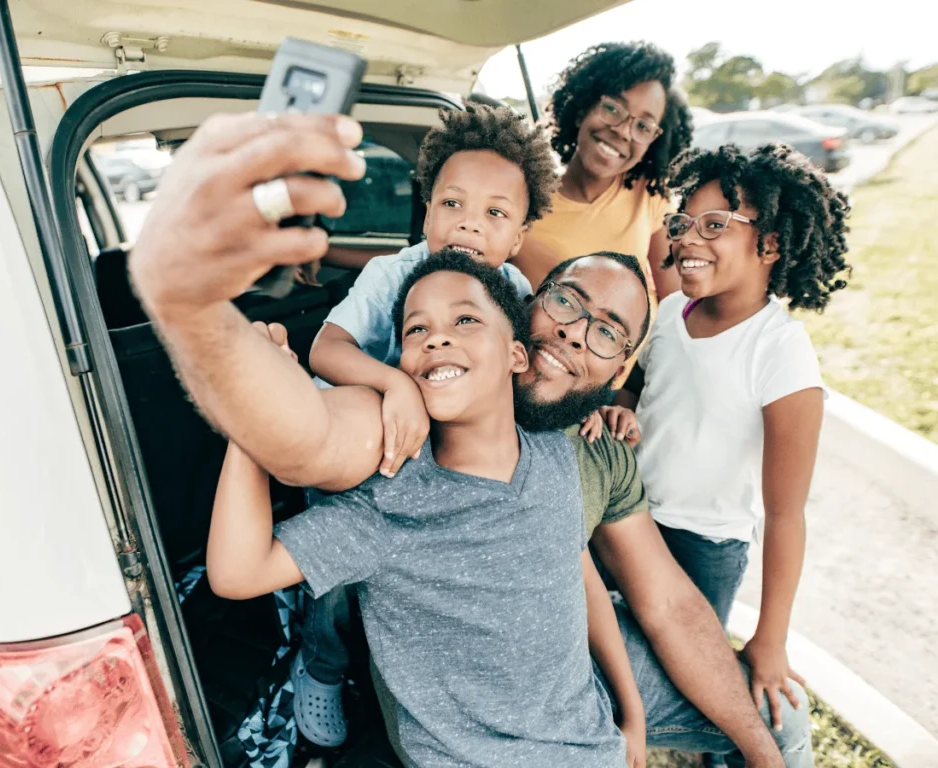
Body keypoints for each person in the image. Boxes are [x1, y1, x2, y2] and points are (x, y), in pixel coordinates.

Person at [128, 110, 808, 767]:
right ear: (526, 322)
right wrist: (201, 316)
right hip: (464, 723)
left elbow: (644, 594)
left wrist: (646, 715)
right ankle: (326, 665)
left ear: (620, 369)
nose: (574, 332)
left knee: (783, 720)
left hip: (574, 709)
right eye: (566, 302)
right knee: (329, 613)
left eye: (607, 331)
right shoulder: (414, 428)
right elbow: (314, 438)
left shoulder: (582, 451)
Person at [209, 251, 644, 767]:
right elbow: (237, 572)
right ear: (402, 367)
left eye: (465, 320)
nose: (436, 338)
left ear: (517, 356)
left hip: (591, 750)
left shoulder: (556, 455)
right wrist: (249, 426)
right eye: (417, 331)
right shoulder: (392, 502)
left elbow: (571, 568)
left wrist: (631, 712)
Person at [295, 103, 559, 747]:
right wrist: (394, 384)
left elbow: (528, 374)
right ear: (427, 209)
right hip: (360, 458)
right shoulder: (392, 273)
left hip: (436, 474)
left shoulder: (514, 289)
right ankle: (321, 665)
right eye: (453, 204)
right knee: (334, 585)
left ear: (518, 236)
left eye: (496, 212)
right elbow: (325, 351)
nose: (470, 223)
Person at [601, 143, 850, 728]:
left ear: (770, 244)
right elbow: (635, 389)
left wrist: (770, 636)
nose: (686, 240)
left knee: (695, 679)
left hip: (703, 547)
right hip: (626, 520)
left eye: (714, 225)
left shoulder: (780, 351)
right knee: (613, 664)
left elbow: (785, 514)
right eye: (682, 223)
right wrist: (620, 413)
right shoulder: (668, 316)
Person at [512, 41, 693, 303]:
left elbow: (675, 305)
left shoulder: (650, 196)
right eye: (612, 109)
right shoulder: (522, 199)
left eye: (643, 126)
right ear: (582, 107)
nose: (622, 130)